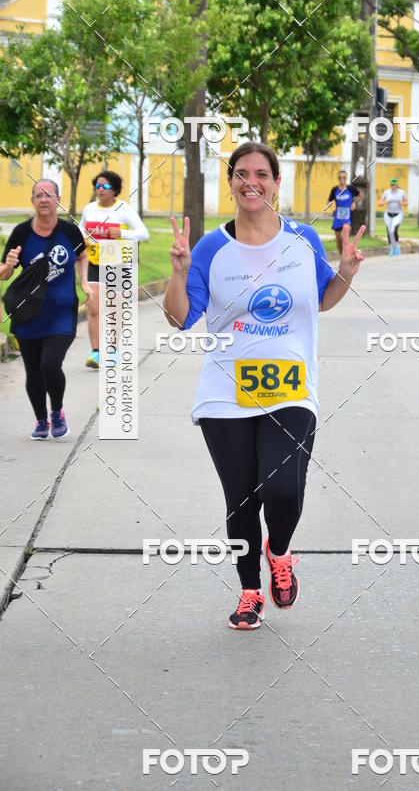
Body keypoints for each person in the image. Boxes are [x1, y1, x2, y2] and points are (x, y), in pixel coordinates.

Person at [164, 142, 365, 631]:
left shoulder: (302, 239)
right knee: (241, 499)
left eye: (261, 173)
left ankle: (280, 550)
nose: (250, 181)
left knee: (282, 491)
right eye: (241, 173)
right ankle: (249, 590)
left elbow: (321, 299)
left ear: (276, 183)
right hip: (225, 393)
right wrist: (178, 273)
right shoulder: (211, 248)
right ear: (231, 182)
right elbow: (179, 318)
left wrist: (345, 273)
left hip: (291, 389)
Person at [0, 179, 89, 440]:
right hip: (28, 313)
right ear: (32, 202)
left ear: (58, 200)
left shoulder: (70, 232)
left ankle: (57, 412)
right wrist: (9, 264)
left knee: (50, 363)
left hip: (62, 312)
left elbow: (82, 255)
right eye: (39, 195)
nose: (44, 200)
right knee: (33, 371)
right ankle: (41, 420)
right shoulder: (21, 233)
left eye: (49, 195)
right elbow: (4, 274)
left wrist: (85, 282)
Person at [79, 171, 149, 368]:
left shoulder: (123, 209)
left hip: (117, 263)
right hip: (94, 262)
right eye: (98, 185)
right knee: (94, 307)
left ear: (115, 190)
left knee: (115, 310)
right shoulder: (89, 209)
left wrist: (122, 233)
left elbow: (143, 233)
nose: (100, 189)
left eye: (106, 186)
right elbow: (81, 228)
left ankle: (112, 351)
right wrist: (83, 238)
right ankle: (95, 353)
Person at [327, 169, 359, 255]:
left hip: (348, 218)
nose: (342, 179)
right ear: (338, 178)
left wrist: (354, 203)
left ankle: (351, 253)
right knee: (338, 240)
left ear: (346, 178)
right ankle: (342, 258)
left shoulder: (351, 189)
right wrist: (329, 204)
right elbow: (329, 201)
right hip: (338, 218)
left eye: (344, 177)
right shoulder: (334, 190)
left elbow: (358, 195)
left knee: (344, 237)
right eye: (340, 177)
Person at [378, 178, 407, 256]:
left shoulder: (401, 192)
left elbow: (406, 203)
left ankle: (397, 247)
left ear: (397, 185)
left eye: (394, 185)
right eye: (391, 185)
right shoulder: (387, 192)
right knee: (389, 231)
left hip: (398, 214)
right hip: (388, 214)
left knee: (393, 230)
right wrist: (385, 201)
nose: (392, 186)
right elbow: (380, 203)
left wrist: (402, 202)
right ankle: (391, 248)